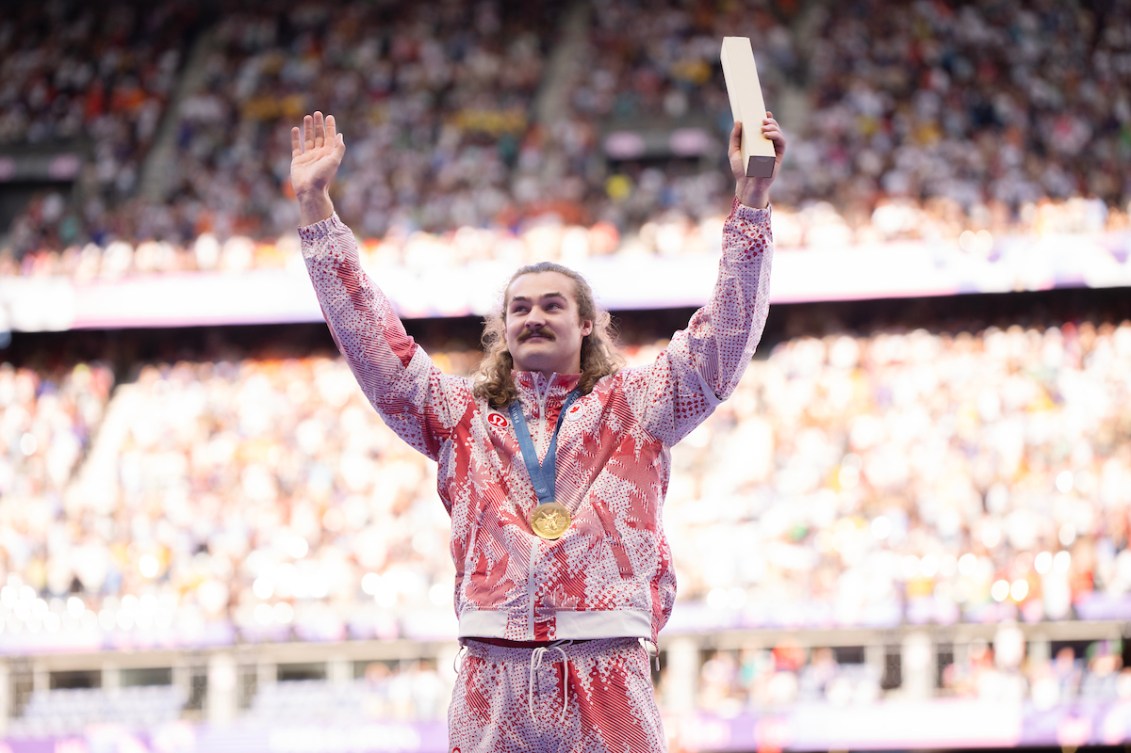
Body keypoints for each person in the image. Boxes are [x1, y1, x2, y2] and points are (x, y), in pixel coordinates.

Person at [290, 106, 785, 752]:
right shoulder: (459, 416)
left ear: (586, 324)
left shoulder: (636, 404)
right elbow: (373, 344)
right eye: (518, 307)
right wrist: (314, 207)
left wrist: (752, 200)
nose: (533, 316)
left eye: (553, 304)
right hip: (489, 669)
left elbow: (722, 340)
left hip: (607, 663)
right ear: (502, 328)